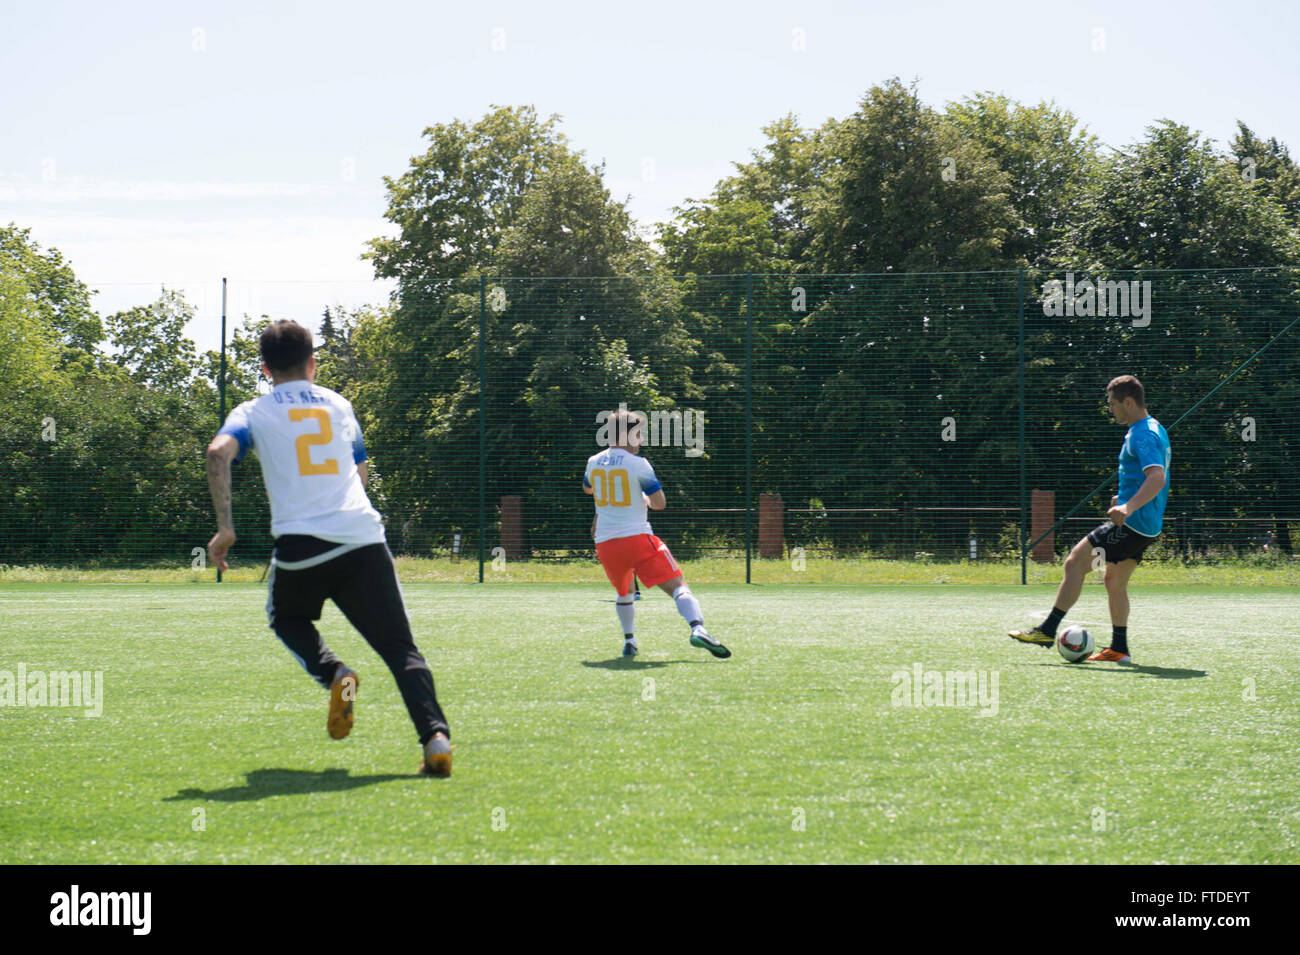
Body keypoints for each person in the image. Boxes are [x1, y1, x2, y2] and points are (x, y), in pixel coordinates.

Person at [205, 320, 453, 776]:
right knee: (401, 649)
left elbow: (218, 453)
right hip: (361, 538)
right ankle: (436, 739)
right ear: (313, 363)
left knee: (287, 618)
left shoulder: (253, 410)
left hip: (303, 546)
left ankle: (336, 674)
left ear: (265, 368)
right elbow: (358, 470)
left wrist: (226, 529)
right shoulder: (340, 404)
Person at [1010, 375, 1170, 663]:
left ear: (1128, 402)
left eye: (1112, 404)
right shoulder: (1154, 427)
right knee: (1114, 581)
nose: (1110, 409)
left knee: (1076, 562)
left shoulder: (1141, 434)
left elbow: (1157, 478)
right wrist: (1123, 501)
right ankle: (1119, 648)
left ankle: (1047, 630)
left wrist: (1127, 508)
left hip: (1132, 525)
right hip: (1148, 526)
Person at [584, 408, 730, 659]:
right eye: (638, 434)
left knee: (625, 592)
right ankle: (698, 629)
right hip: (638, 539)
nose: (641, 440)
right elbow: (660, 503)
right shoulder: (639, 464)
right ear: (626, 436)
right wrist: (643, 498)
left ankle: (630, 641)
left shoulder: (593, 461)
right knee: (679, 586)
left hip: (606, 543)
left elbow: (589, 489)